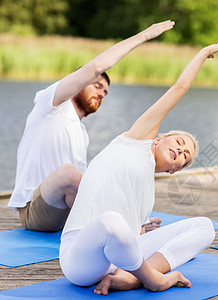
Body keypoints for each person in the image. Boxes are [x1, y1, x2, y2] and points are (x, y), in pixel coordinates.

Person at [59, 21, 218, 294]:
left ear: (174, 170)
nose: (181, 151)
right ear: (161, 138)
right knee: (110, 221)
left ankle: (132, 278)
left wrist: (142, 232)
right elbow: (179, 88)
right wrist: (202, 53)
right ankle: (153, 279)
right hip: (81, 258)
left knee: (204, 227)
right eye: (180, 142)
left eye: (184, 157)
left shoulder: (147, 197)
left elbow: (133, 241)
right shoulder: (135, 140)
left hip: (117, 260)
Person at [8, 20, 165, 232]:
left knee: (104, 180)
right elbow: (95, 66)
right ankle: (118, 230)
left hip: (62, 210)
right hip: (34, 212)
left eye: (105, 92)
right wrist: (143, 36)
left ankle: (134, 225)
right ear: (80, 82)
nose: (101, 93)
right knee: (69, 175)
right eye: (97, 86)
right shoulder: (51, 106)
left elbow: (88, 189)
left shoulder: (80, 132)